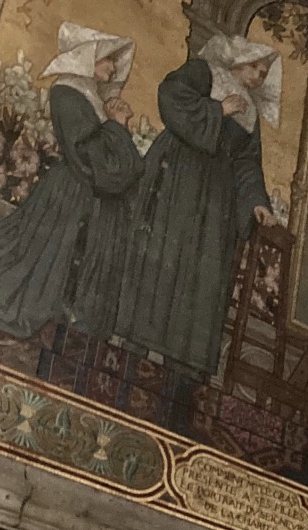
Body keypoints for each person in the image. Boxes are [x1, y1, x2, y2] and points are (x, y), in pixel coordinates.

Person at [0, 23, 141, 342]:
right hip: (69, 190)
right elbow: (90, 158)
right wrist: (117, 126)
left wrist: (117, 127)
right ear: (88, 58)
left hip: (77, 191)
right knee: (23, 261)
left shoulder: (90, 98)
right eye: (107, 60)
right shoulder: (70, 93)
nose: (113, 69)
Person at [116, 32, 280, 379]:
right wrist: (217, 110)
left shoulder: (249, 112)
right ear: (238, 60)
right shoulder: (203, 73)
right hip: (177, 177)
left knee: (202, 271)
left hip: (215, 199)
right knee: (160, 255)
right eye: (255, 67)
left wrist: (256, 203)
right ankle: (133, 344)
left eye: (264, 74)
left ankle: (182, 362)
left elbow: (248, 163)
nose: (258, 77)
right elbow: (170, 95)